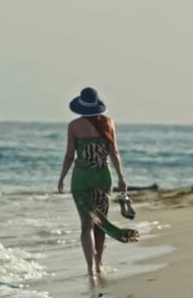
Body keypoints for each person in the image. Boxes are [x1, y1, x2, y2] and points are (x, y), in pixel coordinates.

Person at [57, 87, 138, 276]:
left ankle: (90, 269)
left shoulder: (74, 126)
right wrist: (121, 178)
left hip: (81, 179)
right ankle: (99, 264)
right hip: (103, 177)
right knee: (101, 223)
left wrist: (61, 178)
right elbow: (114, 152)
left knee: (87, 225)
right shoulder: (108, 123)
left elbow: (70, 155)